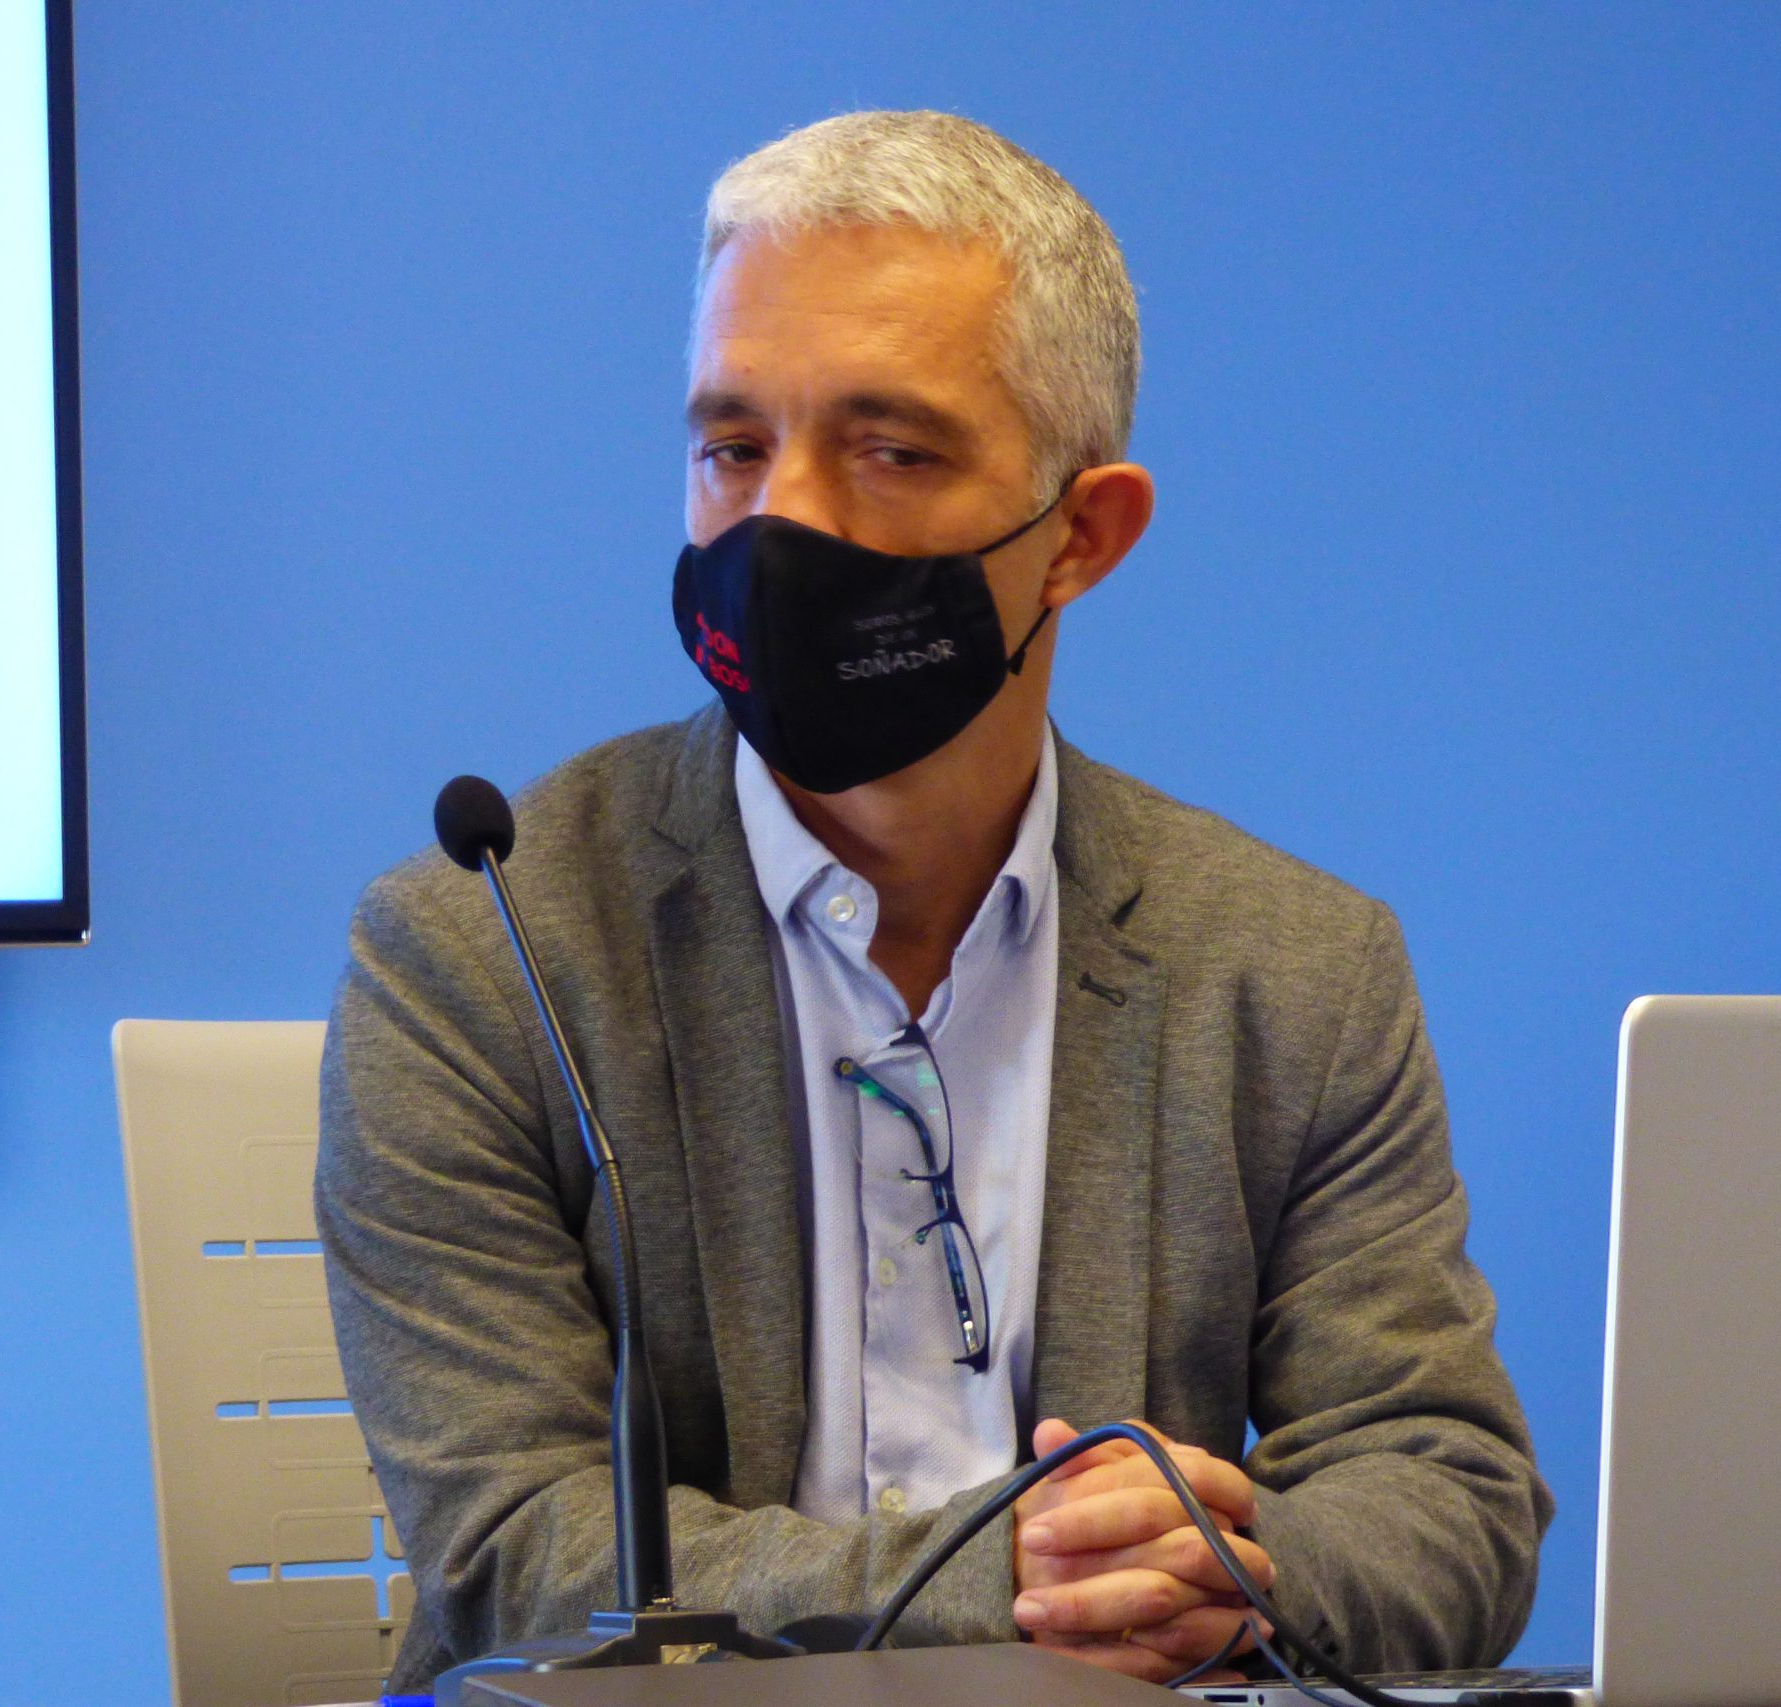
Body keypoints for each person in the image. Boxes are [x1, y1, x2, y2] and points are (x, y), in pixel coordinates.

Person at [316, 109, 1550, 1694]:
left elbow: (1445, 1494)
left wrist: (1241, 1572)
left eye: (890, 452)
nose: (785, 522)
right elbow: (511, 1550)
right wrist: (1009, 1582)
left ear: (1082, 536)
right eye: (734, 448)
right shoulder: (486, 946)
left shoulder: (1294, 970)